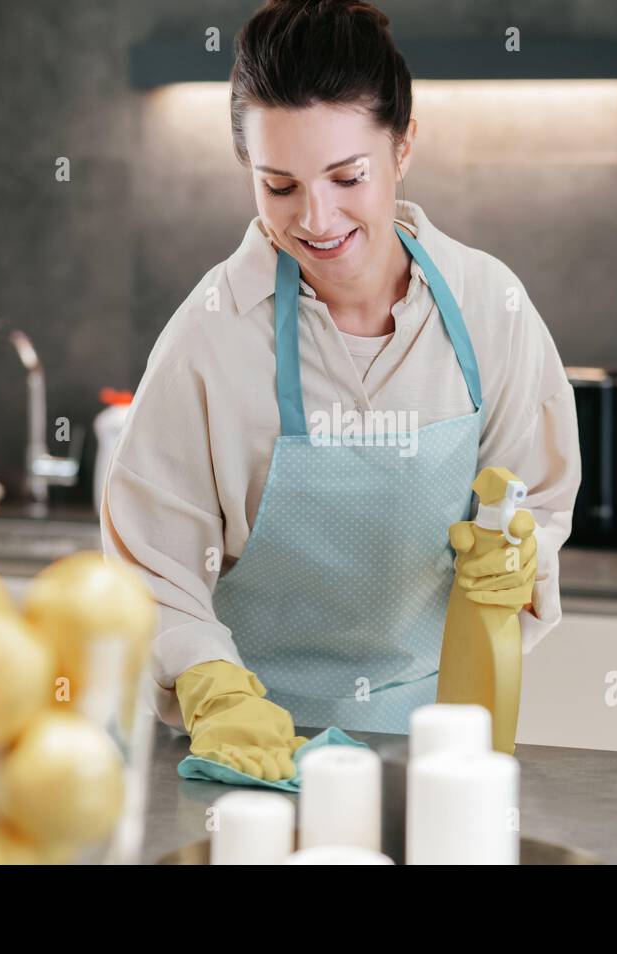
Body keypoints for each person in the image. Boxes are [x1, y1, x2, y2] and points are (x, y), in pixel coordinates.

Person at [102, 0, 580, 780]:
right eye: (279, 185)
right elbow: (148, 569)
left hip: (436, 755)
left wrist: (522, 554)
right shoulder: (212, 338)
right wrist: (213, 690)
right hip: (252, 760)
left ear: (403, 146)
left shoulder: (488, 305)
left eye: (347, 176)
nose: (316, 218)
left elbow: (538, 500)